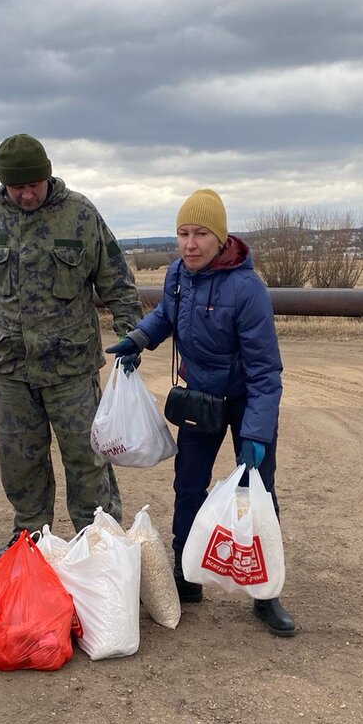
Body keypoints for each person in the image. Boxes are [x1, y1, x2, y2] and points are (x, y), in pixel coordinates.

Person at [0, 134, 142, 556]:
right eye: (18, 187)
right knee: (20, 464)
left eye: (35, 184)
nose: (27, 194)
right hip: (11, 370)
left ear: (48, 176)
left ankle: (99, 543)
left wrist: (131, 333)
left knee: (87, 461)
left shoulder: (80, 215)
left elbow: (117, 282)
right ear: (4, 184)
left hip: (70, 369)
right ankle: (30, 541)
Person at [106, 189, 295, 636]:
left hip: (248, 400)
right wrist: (138, 340)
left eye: (201, 234)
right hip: (200, 399)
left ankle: (265, 593)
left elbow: (266, 371)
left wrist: (257, 433)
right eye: (183, 234)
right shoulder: (177, 275)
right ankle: (186, 577)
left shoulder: (247, 289)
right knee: (189, 485)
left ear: (220, 237)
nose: (190, 244)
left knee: (257, 491)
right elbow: (165, 318)